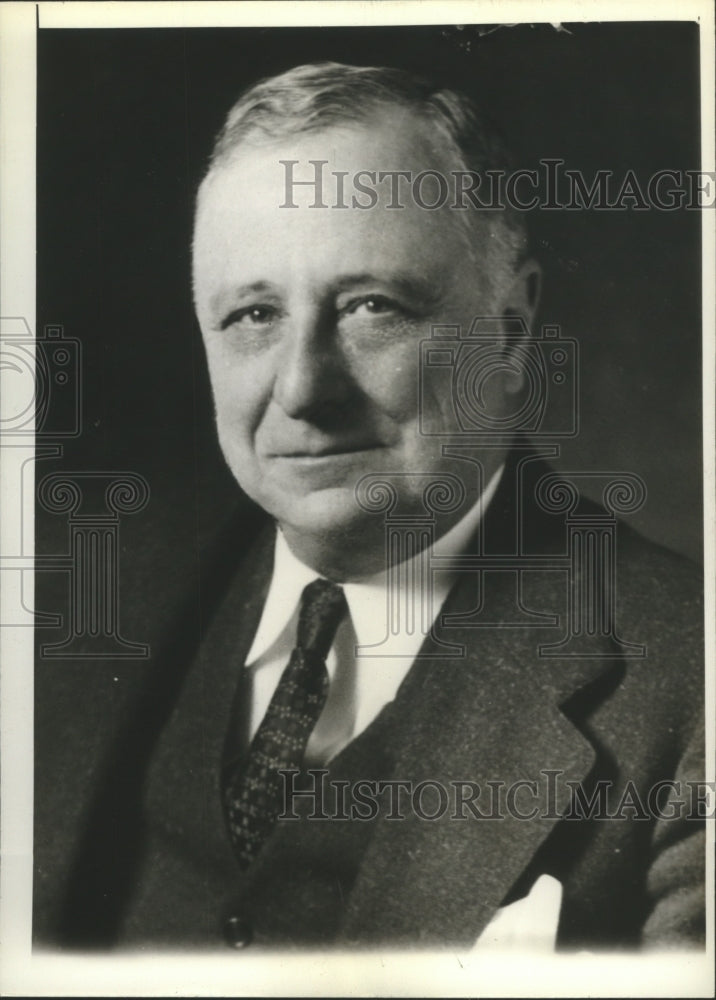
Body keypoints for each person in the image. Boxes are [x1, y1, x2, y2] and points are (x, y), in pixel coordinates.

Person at [37, 62, 704, 952]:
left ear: (510, 327)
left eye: (371, 308)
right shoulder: (75, 608)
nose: (305, 389)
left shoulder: (692, 682)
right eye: (253, 317)